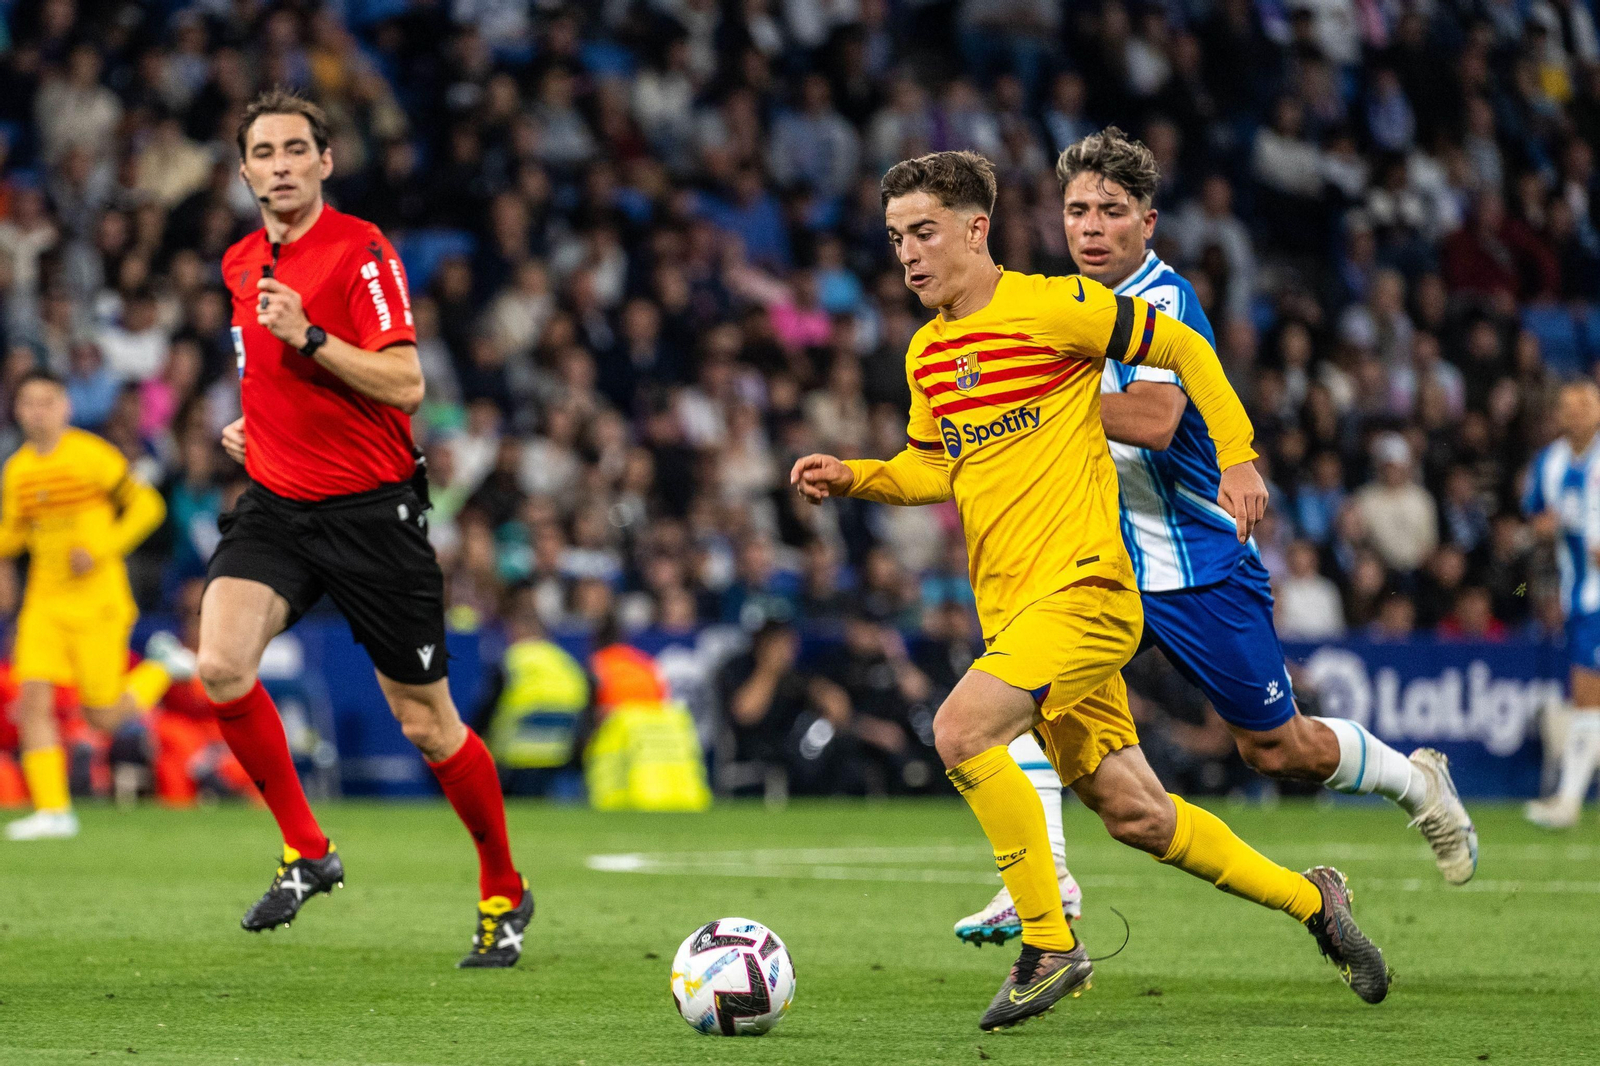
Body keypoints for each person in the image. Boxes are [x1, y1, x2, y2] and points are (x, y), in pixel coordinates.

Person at [791, 150, 1390, 1031]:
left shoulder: (1053, 306)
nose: (908, 254)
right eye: (894, 238)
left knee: (960, 730)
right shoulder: (929, 352)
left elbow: (1180, 345)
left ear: (975, 229)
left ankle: (1049, 941)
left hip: (1089, 593)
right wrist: (858, 476)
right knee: (1137, 814)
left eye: (923, 232)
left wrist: (1237, 451)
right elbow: (937, 465)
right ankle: (1316, 903)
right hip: (1018, 614)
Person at [954, 128, 1477, 948]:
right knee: (1006, 698)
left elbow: (1158, 421)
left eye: (1111, 212)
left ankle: (1417, 784)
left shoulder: (1165, 302)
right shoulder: (1057, 305)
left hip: (1198, 565)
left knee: (1278, 750)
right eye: (1077, 210)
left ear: (1147, 224)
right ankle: (1039, 881)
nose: (1090, 227)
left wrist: (1024, 410)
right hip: (1100, 566)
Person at [204, 90, 529, 967]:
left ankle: (504, 886)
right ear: (244, 171)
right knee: (221, 665)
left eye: (294, 149)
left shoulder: (362, 250)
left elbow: (406, 384)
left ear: (324, 162)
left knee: (428, 727)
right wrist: (253, 428)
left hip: (371, 515)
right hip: (276, 507)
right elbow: (271, 379)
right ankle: (306, 849)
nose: (278, 164)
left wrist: (308, 335)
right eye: (262, 151)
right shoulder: (239, 262)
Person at [1, 369, 194, 840]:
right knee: (32, 703)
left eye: (47, 401)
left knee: (101, 716)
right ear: (17, 410)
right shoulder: (19, 469)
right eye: (28, 403)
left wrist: (102, 547)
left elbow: (149, 507)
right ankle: (54, 811)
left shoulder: (91, 456)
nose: (38, 412)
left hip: (99, 602)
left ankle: (161, 667)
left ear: (65, 407)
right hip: (45, 602)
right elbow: (12, 534)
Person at [1523, 380, 1600, 828]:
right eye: (1567, 404)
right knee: (1587, 697)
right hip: (1582, 597)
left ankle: (1568, 802)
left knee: (1588, 696)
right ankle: (1567, 801)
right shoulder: (1549, 463)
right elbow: (1535, 517)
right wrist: (1545, 528)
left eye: (1585, 402)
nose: (1576, 410)